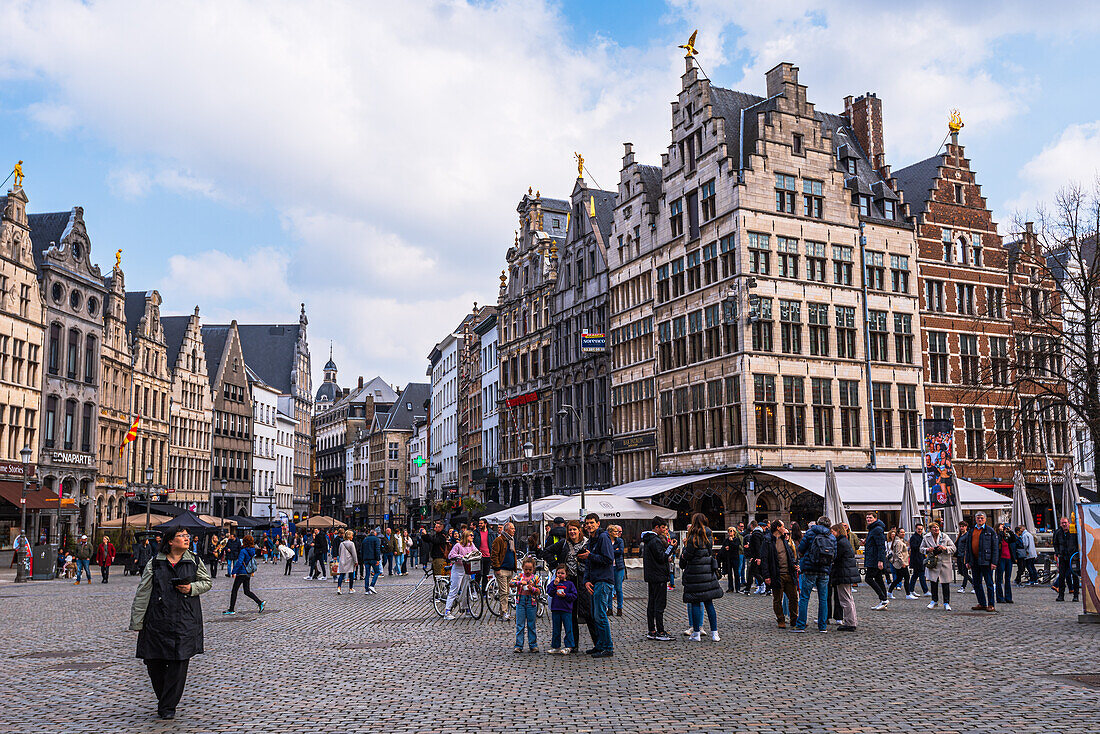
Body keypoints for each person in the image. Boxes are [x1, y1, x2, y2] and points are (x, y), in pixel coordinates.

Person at [129, 527, 212, 720]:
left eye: (187, 536)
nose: (186, 539)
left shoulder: (194, 561)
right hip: (157, 619)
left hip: (184, 620)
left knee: (179, 662)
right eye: (181, 536)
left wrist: (192, 587)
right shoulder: (155, 563)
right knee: (153, 661)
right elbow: (143, 592)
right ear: (170, 541)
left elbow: (206, 582)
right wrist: (137, 621)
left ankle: (167, 707)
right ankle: (165, 699)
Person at [680, 512, 722, 641]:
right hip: (707, 572)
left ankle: (696, 633)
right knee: (709, 603)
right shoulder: (709, 535)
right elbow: (709, 552)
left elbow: (687, 555)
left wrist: (684, 551)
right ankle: (715, 633)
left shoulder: (692, 536)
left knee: (695, 602)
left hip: (695, 573)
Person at [580, 513, 615, 658]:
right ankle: (600, 645)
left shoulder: (603, 537)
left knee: (600, 615)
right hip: (594, 581)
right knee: (595, 615)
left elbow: (608, 559)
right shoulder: (591, 540)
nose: (589, 525)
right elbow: (589, 563)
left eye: (592, 523)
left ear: (598, 524)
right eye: (587, 523)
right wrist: (586, 580)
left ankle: (608, 647)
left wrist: (590, 556)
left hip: (603, 580)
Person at [795, 516, 836, 633]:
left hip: (809, 568)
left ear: (818, 523)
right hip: (824, 570)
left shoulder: (810, 533)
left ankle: (801, 625)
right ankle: (822, 626)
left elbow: (801, 548)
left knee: (804, 597)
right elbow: (835, 554)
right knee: (823, 598)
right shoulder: (831, 536)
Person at [564, 520, 595, 652]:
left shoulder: (587, 543)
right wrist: (557, 566)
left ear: (579, 530)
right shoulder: (565, 544)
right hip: (570, 581)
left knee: (588, 613)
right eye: (570, 530)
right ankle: (573, 644)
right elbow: (547, 552)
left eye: (574, 529)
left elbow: (593, 558)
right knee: (571, 614)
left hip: (584, 580)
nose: (572, 532)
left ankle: (597, 642)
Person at [641, 517, 674, 641]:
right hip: (658, 576)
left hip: (652, 576)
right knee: (659, 604)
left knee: (652, 603)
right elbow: (661, 557)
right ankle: (660, 631)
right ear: (657, 527)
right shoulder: (655, 540)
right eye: (663, 528)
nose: (665, 530)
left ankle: (652, 630)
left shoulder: (649, 540)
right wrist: (671, 548)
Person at [761, 519, 798, 629]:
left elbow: (790, 554)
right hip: (777, 574)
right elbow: (764, 559)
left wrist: (794, 564)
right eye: (782, 526)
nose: (784, 528)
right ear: (778, 527)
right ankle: (780, 619)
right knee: (777, 599)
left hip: (789, 573)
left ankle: (794, 619)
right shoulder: (768, 540)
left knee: (794, 598)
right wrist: (766, 576)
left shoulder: (784, 539)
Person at [223, 535, 265, 615]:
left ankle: (231, 609)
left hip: (241, 572)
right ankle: (260, 603)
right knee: (247, 591)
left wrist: (233, 571)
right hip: (248, 572)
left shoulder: (243, 551)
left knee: (234, 590)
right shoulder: (252, 550)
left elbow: (239, 562)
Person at [965, 512, 998, 612]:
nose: (980, 520)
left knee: (989, 583)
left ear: (985, 519)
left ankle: (991, 604)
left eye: (982, 518)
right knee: (977, 583)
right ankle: (982, 603)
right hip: (974, 561)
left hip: (986, 561)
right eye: (978, 518)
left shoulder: (990, 531)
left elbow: (995, 548)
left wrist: (994, 562)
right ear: (975, 519)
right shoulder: (971, 531)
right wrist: (967, 560)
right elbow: (968, 547)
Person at [443, 529, 478, 620]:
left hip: (467, 568)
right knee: (454, 589)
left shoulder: (471, 545)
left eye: (473, 535)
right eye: (471, 535)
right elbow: (451, 555)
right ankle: (447, 611)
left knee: (465, 590)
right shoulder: (458, 545)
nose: (472, 537)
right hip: (458, 569)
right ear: (466, 536)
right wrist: (459, 557)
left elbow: (476, 551)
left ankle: (466, 609)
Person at [830, 524, 859, 631]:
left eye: (832, 531)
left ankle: (850, 622)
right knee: (848, 598)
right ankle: (852, 621)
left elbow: (836, 557)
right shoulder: (844, 541)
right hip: (846, 572)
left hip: (843, 572)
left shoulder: (840, 543)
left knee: (845, 599)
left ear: (837, 531)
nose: (831, 533)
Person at [920, 522, 955, 611]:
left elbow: (953, 548)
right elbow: (921, 549)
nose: (936, 529)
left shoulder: (945, 536)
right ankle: (934, 601)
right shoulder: (926, 537)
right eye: (934, 528)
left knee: (945, 583)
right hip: (933, 562)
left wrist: (944, 548)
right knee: (933, 582)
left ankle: (946, 602)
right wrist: (928, 549)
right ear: (930, 529)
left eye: (937, 527)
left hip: (944, 562)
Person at [547, 565, 577, 653]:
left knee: (568, 628)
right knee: (556, 629)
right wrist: (554, 584)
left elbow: (574, 595)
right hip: (556, 609)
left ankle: (569, 646)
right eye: (558, 573)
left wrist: (566, 596)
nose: (560, 575)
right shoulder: (554, 583)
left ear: (566, 574)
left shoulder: (570, 584)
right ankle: (556, 646)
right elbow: (550, 592)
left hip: (566, 609)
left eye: (562, 573)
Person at [511, 557, 540, 653]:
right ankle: (519, 645)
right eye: (526, 569)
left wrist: (533, 589)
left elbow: (539, 591)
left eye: (530, 569)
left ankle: (533, 645)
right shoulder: (520, 576)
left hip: (531, 603)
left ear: (533, 569)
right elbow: (511, 583)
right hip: (521, 602)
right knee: (520, 624)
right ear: (522, 568)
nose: (528, 571)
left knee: (531, 624)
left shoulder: (535, 578)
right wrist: (519, 583)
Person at [491, 521, 518, 620]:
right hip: (501, 569)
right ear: (506, 530)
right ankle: (505, 612)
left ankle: (502, 612)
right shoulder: (499, 540)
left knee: (505, 592)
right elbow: (494, 554)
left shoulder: (511, 540)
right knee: (504, 592)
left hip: (509, 569)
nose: (514, 530)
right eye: (512, 528)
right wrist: (497, 568)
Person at [863, 512, 889, 610]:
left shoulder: (877, 529)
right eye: (867, 518)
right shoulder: (873, 529)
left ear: (875, 518)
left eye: (870, 518)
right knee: (878, 579)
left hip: (874, 559)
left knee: (868, 578)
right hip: (873, 557)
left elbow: (881, 546)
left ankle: (883, 599)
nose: (868, 519)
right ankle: (884, 600)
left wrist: (880, 560)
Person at [1053, 516, 1079, 602]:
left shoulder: (1074, 532)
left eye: (1065, 523)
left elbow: (1078, 543)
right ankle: (1061, 595)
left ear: (1068, 523)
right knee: (1061, 577)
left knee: (1075, 576)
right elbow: (1055, 543)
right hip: (1063, 557)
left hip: (1073, 558)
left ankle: (1076, 596)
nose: (1064, 524)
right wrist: (1057, 553)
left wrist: (1077, 554)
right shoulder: (1058, 532)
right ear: (1060, 524)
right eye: (1062, 523)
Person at [995, 523, 1018, 604]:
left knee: (1007, 578)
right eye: (1001, 526)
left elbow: (1014, 539)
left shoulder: (1006, 537)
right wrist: (1001, 532)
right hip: (1001, 559)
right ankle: (1000, 597)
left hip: (1008, 559)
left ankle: (1008, 597)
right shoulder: (997, 536)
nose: (1003, 528)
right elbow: (998, 542)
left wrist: (1010, 531)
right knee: (999, 578)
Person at [906, 523, 930, 598]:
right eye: (919, 529)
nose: (920, 530)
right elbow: (914, 547)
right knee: (921, 574)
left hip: (920, 558)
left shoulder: (921, 537)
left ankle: (911, 590)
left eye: (921, 529)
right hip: (917, 559)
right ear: (916, 529)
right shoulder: (914, 537)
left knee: (915, 575)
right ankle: (925, 591)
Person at [608, 524, 626, 617]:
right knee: (610, 589)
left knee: (618, 588)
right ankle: (609, 608)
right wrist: (615, 549)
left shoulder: (620, 541)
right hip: (609, 567)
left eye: (618, 532)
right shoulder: (606, 541)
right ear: (610, 532)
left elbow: (621, 551)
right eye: (615, 531)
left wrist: (611, 550)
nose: (617, 533)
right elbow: (605, 551)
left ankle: (619, 608)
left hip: (619, 567)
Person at [887, 529, 911, 598]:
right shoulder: (898, 542)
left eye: (904, 532)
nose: (903, 533)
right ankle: (908, 594)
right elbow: (898, 553)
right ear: (898, 533)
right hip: (901, 563)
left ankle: (889, 591)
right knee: (906, 577)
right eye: (901, 532)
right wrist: (902, 562)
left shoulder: (899, 541)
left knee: (899, 578)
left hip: (900, 562)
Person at [745, 521, 767, 595]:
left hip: (757, 556)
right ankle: (761, 586)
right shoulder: (759, 534)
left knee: (752, 572)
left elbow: (757, 547)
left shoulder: (756, 534)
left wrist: (757, 557)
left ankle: (749, 589)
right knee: (755, 572)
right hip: (757, 556)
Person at [335, 530, 358, 595]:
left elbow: (339, 552)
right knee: (351, 575)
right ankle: (350, 588)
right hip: (350, 561)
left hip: (342, 560)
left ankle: (339, 588)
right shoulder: (351, 543)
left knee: (341, 575)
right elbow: (354, 553)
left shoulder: (341, 544)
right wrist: (356, 561)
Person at [720, 526, 743, 593]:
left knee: (736, 573)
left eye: (732, 531)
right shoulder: (726, 540)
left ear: (734, 532)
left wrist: (731, 543)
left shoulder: (736, 539)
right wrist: (726, 547)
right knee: (729, 574)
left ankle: (737, 588)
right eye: (730, 531)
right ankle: (730, 588)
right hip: (728, 558)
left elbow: (736, 547)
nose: (731, 532)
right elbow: (724, 547)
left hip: (735, 558)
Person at [360, 528, 383, 594]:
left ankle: (367, 589)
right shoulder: (376, 539)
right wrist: (378, 559)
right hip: (373, 559)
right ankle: (372, 585)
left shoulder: (365, 540)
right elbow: (377, 550)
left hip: (366, 559)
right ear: (375, 534)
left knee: (367, 574)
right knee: (377, 572)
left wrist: (362, 559)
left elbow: (361, 550)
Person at [954, 521, 971, 592]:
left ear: (966, 527)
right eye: (960, 526)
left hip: (964, 555)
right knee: (960, 571)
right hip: (959, 555)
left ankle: (963, 587)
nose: (961, 528)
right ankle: (974, 584)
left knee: (965, 572)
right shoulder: (960, 535)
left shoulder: (967, 535)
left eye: (963, 526)